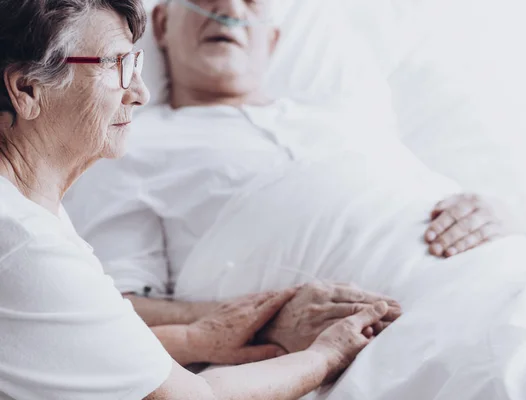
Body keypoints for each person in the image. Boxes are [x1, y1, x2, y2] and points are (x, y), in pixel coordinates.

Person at [63, 0, 526, 366]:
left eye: (251, 4)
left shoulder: (347, 124)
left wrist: (498, 215)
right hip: (394, 337)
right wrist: (263, 319)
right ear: (162, 25)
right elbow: (120, 312)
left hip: (510, 278)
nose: (229, 10)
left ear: (272, 40)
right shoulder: (131, 145)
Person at [0, 1, 399, 399]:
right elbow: (192, 397)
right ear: (27, 89)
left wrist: (194, 338)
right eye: (114, 64)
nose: (140, 92)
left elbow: (75, 343)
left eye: (134, 65)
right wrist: (326, 355)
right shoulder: (27, 246)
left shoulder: (31, 214)